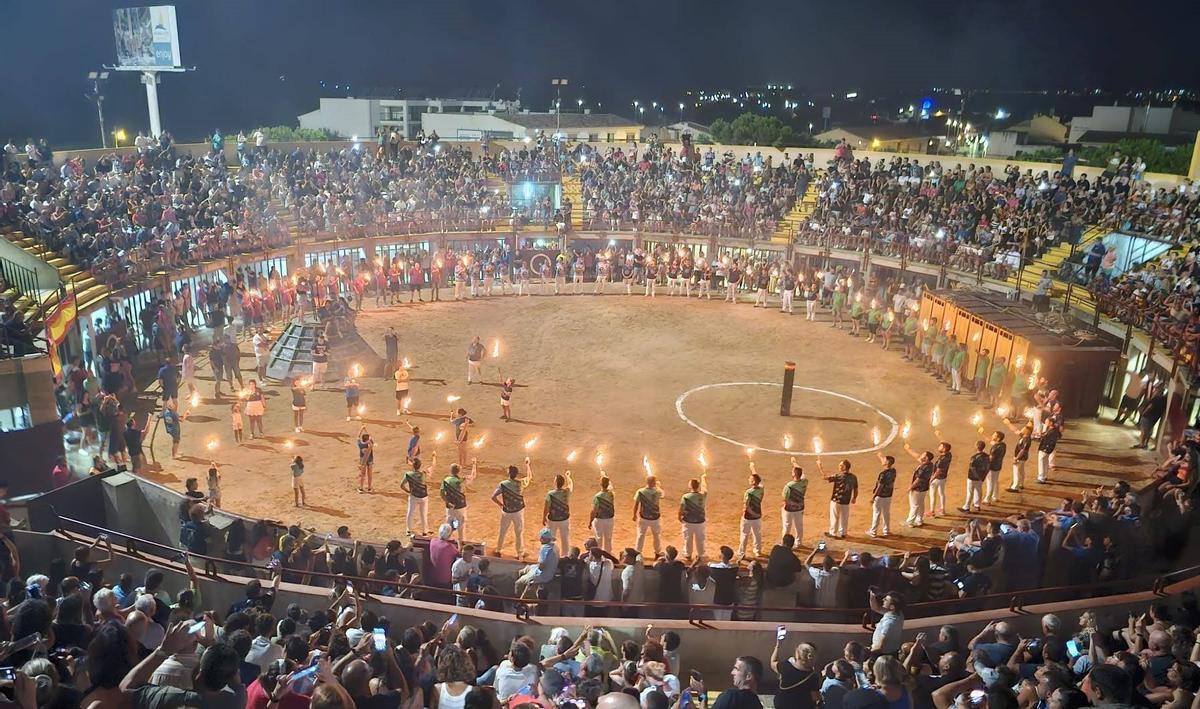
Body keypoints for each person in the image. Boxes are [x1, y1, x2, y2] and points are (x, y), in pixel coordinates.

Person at [493, 458, 533, 558]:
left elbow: (493, 497)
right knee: (519, 532)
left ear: (508, 473)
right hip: (518, 511)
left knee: (503, 530)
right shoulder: (521, 483)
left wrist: (500, 504)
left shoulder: (503, 484)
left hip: (506, 511)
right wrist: (528, 465)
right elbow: (529, 476)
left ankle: (498, 549)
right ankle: (520, 553)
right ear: (517, 474)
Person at [772, 640, 820, 709]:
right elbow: (815, 697)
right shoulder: (813, 677)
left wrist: (777, 646)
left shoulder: (785, 666)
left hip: (782, 704)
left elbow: (773, 662)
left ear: (797, 655)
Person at [515, 528, 560, 599]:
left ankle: (519, 601)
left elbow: (541, 567)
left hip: (542, 575)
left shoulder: (545, 548)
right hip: (549, 572)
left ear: (544, 539)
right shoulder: (555, 547)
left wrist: (538, 565)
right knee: (525, 569)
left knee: (518, 583)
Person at [819, 458, 857, 539]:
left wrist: (820, 466)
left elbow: (825, 477)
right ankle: (843, 532)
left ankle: (833, 533)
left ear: (845, 467)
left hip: (836, 500)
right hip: (846, 501)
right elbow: (856, 488)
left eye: (841, 465)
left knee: (834, 517)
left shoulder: (838, 476)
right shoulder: (853, 477)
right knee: (844, 517)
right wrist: (854, 498)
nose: (839, 466)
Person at [441, 460, 473, 544]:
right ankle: (461, 542)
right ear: (458, 471)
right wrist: (474, 464)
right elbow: (472, 477)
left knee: (448, 524)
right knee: (461, 525)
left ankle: (445, 541)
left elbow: (441, 494)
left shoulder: (446, 480)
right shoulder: (462, 480)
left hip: (450, 507)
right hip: (461, 506)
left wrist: (447, 502)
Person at [679, 473, 708, 562]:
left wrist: (679, 516)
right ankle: (700, 554)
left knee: (688, 538)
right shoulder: (703, 495)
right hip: (700, 521)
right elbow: (704, 488)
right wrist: (703, 478)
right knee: (700, 538)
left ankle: (688, 554)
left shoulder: (686, 497)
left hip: (688, 521)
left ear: (690, 486)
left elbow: (682, 508)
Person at [632, 475, 664, 557]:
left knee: (641, 535)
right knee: (656, 536)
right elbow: (662, 495)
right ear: (654, 483)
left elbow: (636, 504)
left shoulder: (640, 491)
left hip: (643, 517)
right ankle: (657, 552)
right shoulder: (658, 491)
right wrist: (658, 486)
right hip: (655, 518)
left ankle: (638, 552)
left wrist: (634, 514)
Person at [543, 471, 574, 556]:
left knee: (551, 538)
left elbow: (547, 507)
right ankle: (565, 555)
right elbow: (571, 484)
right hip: (564, 519)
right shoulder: (566, 492)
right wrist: (568, 476)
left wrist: (544, 517)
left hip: (553, 519)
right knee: (565, 538)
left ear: (556, 483)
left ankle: (550, 554)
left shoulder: (550, 494)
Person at [401, 455, 431, 535]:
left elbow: (402, 485)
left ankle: (408, 530)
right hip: (423, 497)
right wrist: (434, 456)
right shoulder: (423, 474)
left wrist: (408, 491)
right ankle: (425, 531)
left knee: (410, 512)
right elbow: (432, 467)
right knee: (423, 514)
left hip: (413, 496)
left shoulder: (408, 474)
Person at [868, 453, 896, 538]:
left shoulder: (882, 474)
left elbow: (880, 486)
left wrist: (874, 497)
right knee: (886, 513)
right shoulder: (893, 471)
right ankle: (886, 530)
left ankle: (873, 531)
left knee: (876, 513)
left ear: (887, 462)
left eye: (884, 459)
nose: (883, 460)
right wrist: (880, 456)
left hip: (880, 496)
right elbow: (886, 464)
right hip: (888, 495)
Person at [740, 467, 766, 558]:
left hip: (748, 517)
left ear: (754, 481)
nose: (749, 479)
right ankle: (757, 550)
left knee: (744, 535)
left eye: (751, 479)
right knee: (757, 534)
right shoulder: (761, 489)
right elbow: (760, 482)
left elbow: (746, 506)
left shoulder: (748, 492)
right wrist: (752, 468)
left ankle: (742, 552)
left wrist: (751, 513)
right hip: (757, 516)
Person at [781, 460, 807, 547]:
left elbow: (785, 498)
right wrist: (794, 462)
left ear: (794, 474)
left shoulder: (789, 486)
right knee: (799, 526)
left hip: (789, 509)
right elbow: (802, 473)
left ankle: (784, 543)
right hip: (799, 508)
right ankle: (798, 542)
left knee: (787, 526)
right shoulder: (804, 482)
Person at [960, 441, 989, 513]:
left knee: (970, 492)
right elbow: (987, 467)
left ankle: (966, 507)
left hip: (972, 477)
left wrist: (977, 477)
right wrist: (983, 476)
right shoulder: (986, 456)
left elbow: (972, 468)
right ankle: (977, 505)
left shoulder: (974, 457)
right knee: (978, 491)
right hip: (981, 477)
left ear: (976, 447)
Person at [590, 475, 616, 552]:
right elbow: (611, 486)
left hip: (599, 519)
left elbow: (594, 510)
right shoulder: (611, 494)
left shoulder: (597, 496)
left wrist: (590, 521)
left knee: (598, 537)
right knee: (608, 537)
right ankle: (608, 553)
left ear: (600, 484)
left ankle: (598, 553)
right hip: (609, 519)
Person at [356, 427, 375, 493]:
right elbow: (370, 436)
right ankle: (369, 488)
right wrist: (366, 429)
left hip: (363, 461)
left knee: (362, 474)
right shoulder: (370, 443)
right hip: (370, 460)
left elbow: (358, 436)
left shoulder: (360, 444)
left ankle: (361, 488)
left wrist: (361, 429)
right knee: (369, 474)